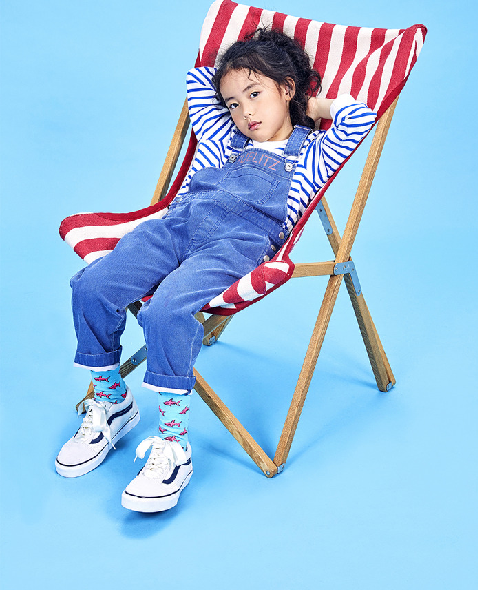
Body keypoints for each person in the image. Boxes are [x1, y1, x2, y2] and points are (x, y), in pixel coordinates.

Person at [55, 29, 377, 513]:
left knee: (165, 310)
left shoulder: (313, 151)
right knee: (92, 285)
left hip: (235, 246)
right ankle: (112, 401)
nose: (245, 112)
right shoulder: (222, 137)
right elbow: (198, 81)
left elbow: (359, 118)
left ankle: (173, 445)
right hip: (175, 227)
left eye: (256, 94)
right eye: (233, 103)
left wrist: (311, 106)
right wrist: (241, 77)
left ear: (287, 88)